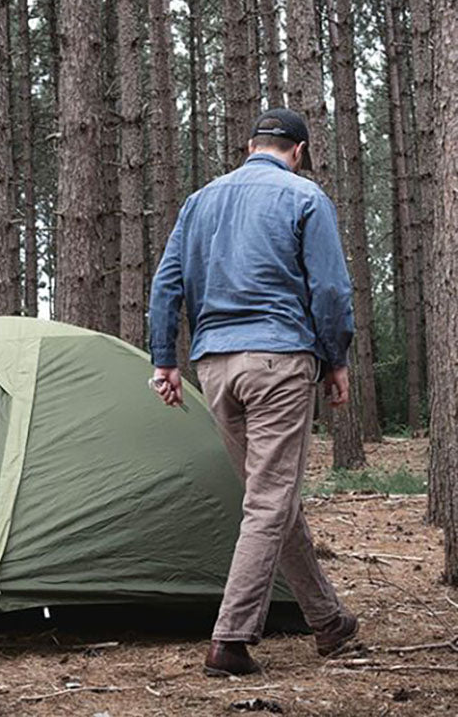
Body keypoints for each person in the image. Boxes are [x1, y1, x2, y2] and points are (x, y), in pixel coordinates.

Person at [148, 108, 359, 677]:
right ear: (299, 151)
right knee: (269, 500)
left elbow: (167, 282)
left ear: (250, 145)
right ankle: (231, 638)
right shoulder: (305, 196)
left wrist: (165, 359)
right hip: (278, 360)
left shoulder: (200, 201)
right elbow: (332, 290)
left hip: (215, 366)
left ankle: (327, 620)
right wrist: (336, 359)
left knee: (271, 496)